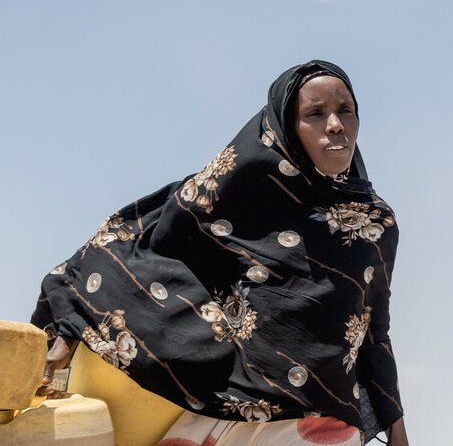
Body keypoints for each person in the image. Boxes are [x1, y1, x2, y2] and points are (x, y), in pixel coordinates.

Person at [31, 60, 409, 445]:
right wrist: (69, 328)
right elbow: (125, 242)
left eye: (345, 110)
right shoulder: (233, 193)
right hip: (226, 416)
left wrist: (398, 430)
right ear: (288, 129)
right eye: (314, 113)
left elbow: (374, 329)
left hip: (321, 426)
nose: (335, 124)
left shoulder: (374, 226)